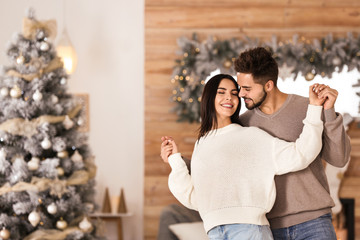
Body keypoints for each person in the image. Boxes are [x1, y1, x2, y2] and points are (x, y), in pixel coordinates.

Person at [159, 47, 351, 240]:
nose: (240, 95)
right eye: (239, 88)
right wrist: (176, 159)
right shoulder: (243, 124)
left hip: (313, 221)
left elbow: (338, 158)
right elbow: (221, 174)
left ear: (268, 85)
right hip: (272, 225)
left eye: (246, 89)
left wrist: (327, 111)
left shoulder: (309, 108)